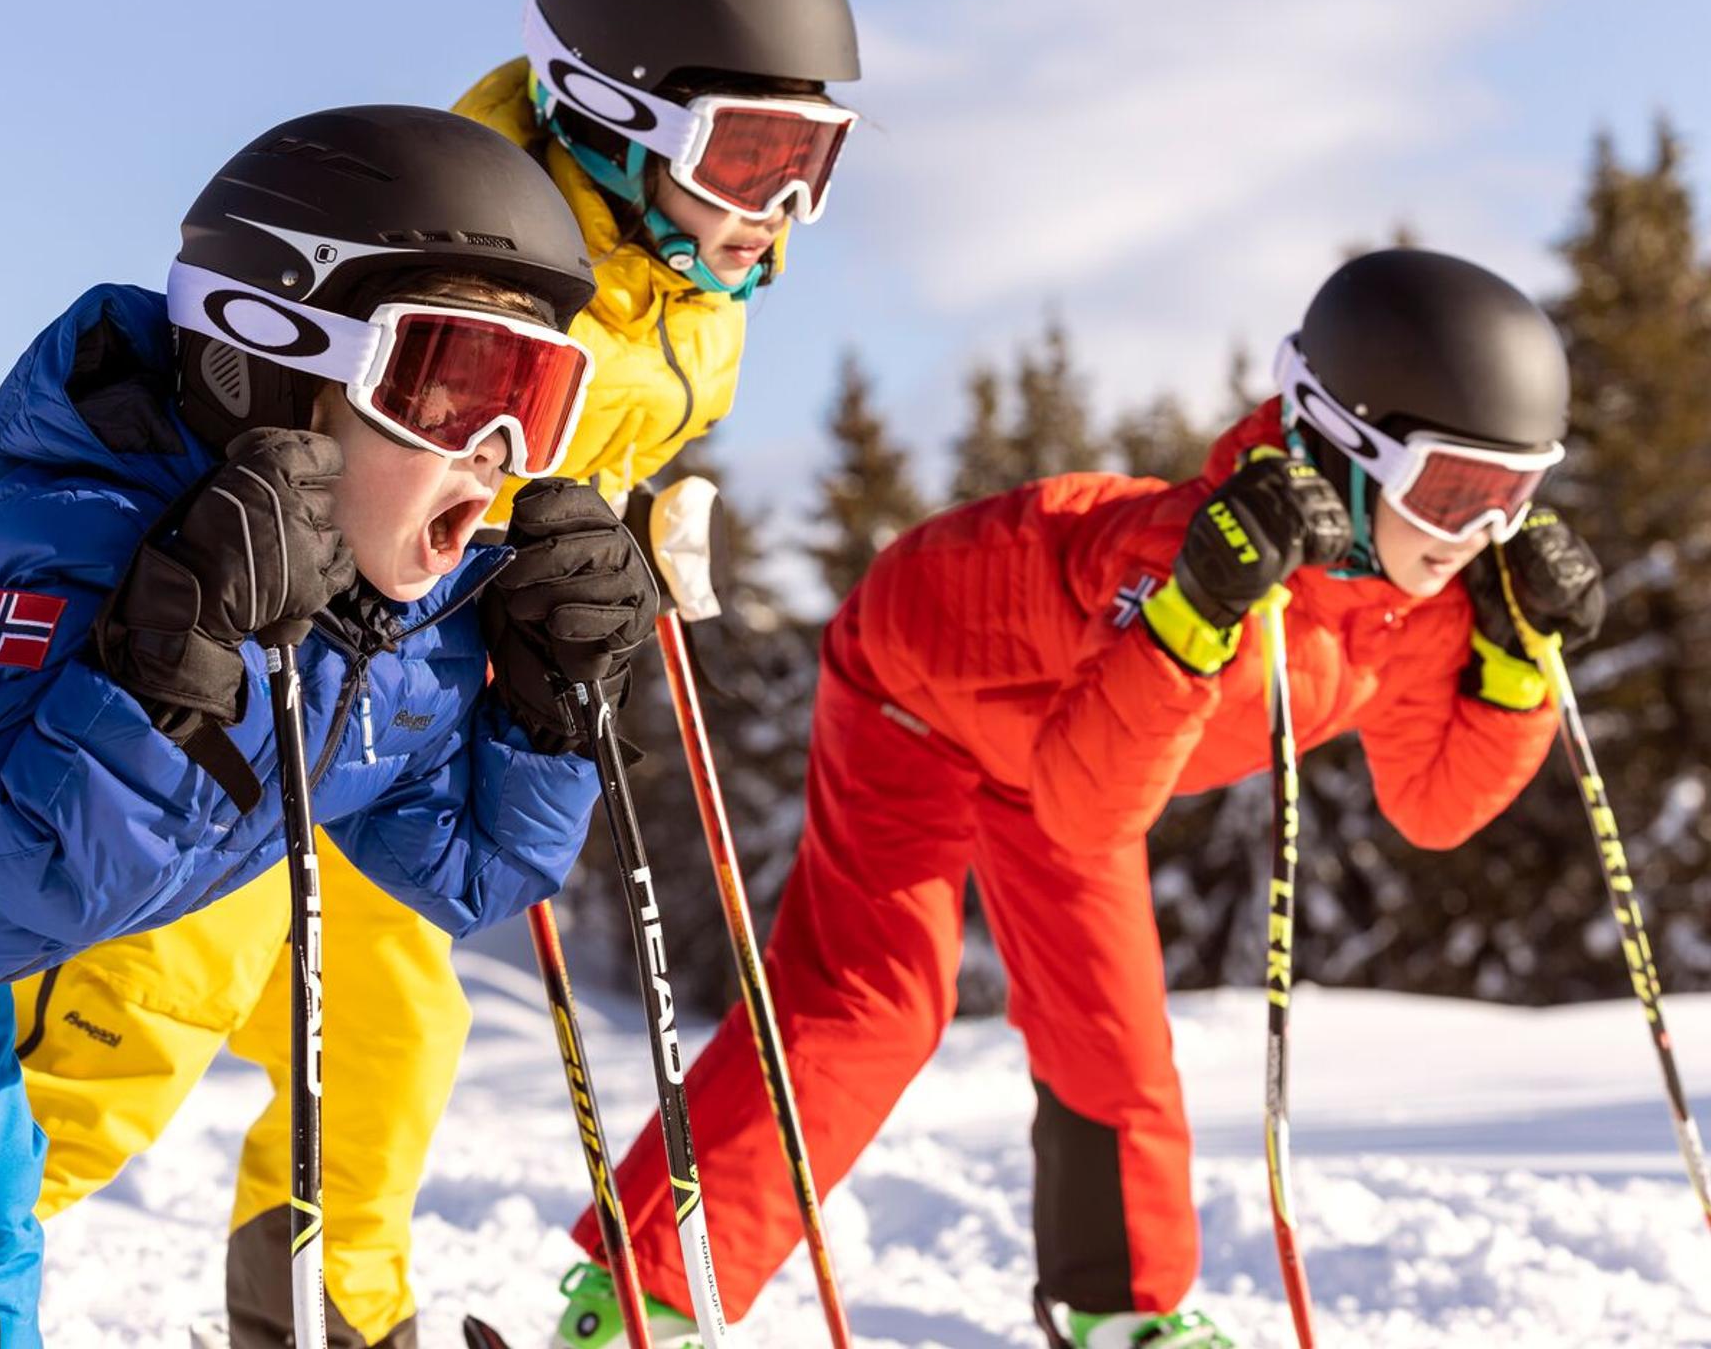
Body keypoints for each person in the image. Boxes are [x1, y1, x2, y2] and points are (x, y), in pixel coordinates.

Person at [0, 103, 659, 1349]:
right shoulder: (74, 547)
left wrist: (544, 712)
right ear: (270, 365)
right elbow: (35, 868)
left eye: (534, 399)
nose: (495, 454)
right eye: (447, 391)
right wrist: (169, 659)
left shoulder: (394, 626)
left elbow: (471, 876)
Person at [12, 0, 860, 1349]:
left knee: (394, 1032)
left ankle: (331, 1315)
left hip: (406, 722)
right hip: (266, 683)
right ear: (612, 112)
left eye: (812, 166)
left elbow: (589, 467)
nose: (775, 211)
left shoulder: (695, 312)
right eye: (748, 158)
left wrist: (614, 558)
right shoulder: (458, 238)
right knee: (144, 1003)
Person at [564, 248, 1607, 1349]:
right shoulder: (1180, 560)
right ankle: (639, 1302)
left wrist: (1511, 668)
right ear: (1346, 447)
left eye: (1515, 496)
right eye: (1453, 492)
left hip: (1075, 761)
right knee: (874, 1003)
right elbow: (1086, 809)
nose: (1480, 535)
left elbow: (1433, 807)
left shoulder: (1414, 607)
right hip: (915, 694)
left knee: (1110, 1032)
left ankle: (1121, 1311)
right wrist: (1190, 620)